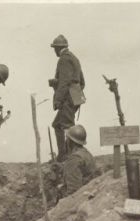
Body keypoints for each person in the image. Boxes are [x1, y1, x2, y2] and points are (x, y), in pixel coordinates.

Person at [48, 34, 85, 162]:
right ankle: (64, 155)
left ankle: (71, 156)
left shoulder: (63, 59)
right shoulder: (74, 58)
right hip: (75, 96)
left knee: (67, 126)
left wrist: (58, 100)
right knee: (57, 124)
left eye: (54, 48)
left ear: (58, 48)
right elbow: (81, 81)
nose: (54, 51)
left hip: (68, 98)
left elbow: (64, 82)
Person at [58, 125, 96, 199]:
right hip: (90, 192)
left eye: (67, 139)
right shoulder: (86, 153)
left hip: (80, 198)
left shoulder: (74, 159)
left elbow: (74, 191)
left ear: (70, 141)